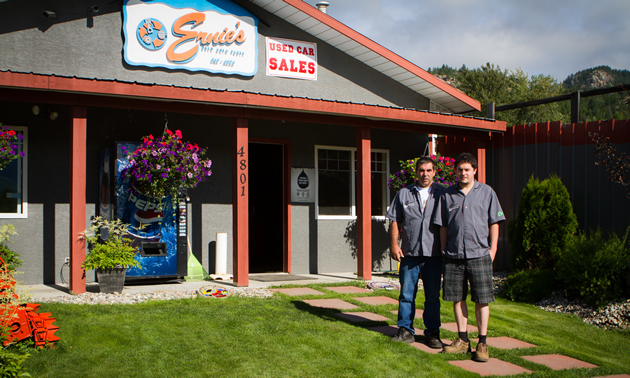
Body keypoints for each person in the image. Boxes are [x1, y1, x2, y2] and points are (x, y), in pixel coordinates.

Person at [432, 152, 505, 362]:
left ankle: (482, 343)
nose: (463, 173)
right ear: (455, 172)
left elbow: (495, 223)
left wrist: (492, 251)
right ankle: (462, 341)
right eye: (460, 170)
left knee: (482, 299)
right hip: (454, 256)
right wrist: (445, 249)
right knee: (457, 298)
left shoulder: (487, 192)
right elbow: (443, 225)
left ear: (474, 171)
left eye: (467, 169)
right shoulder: (447, 195)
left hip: (479, 254)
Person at [386, 156, 444, 349]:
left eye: (429, 170)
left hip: (434, 255)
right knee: (406, 294)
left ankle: (432, 333)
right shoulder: (403, 194)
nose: (425, 174)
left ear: (434, 172)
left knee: (432, 296)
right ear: (416, 172)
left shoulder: (442, 194)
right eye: (421, 170)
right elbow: (394, 220)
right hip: (409, 254)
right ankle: (405, 330)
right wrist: (394, 244)